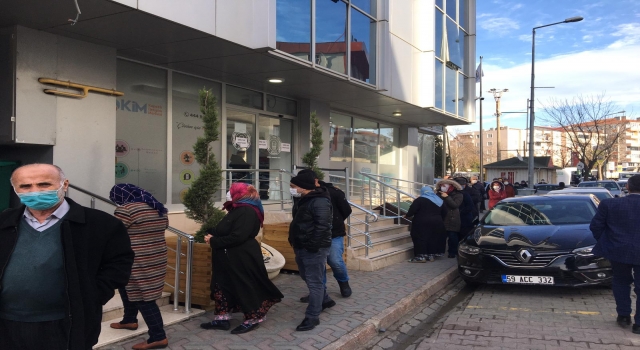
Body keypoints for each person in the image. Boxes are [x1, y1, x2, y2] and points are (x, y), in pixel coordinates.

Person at [0, 164, 134, 350]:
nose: (35, 191)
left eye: (44, 184)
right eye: (25, 186)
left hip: (67, 323)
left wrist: (93, 294)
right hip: (7, 324)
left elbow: (119, 263)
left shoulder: (100, 224)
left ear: (65, 184)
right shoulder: (4, 222)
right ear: (15, 190)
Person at [200, 183, 283, 334]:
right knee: (222, 285)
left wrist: (214, 241)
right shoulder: (238, 209)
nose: (227, 193)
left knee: (245, 285)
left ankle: (253, 318)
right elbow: (229, 229)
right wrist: (212, 232)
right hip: (228, 257)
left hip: (241, 257)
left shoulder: (246, 211)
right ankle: (222, 318)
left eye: (230, 191)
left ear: (239, 194)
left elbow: (238, 236)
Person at [109, 184, 170, 350]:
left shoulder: (126, 209)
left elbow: (114, 233)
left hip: (137, 261)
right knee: (127, 287)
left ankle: (158, 337)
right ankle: (129, 319)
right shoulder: (157, 208)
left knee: (145, 298)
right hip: (157, 258)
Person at [590, 175, 640, 333]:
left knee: (620, 282)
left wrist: (607, 242)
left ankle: (624, 315)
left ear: (627, 187)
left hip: (618, 251)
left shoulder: (610, 204)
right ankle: (638, 325)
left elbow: (595, 226)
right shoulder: (609, 204)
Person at [296, 170, 353, 299]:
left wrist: (335, 221)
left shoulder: (333, 192)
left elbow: (346, 210)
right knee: (316, 266)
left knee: (335, 261)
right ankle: (320, 294)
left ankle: (343, 282)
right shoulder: (301, 195)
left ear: (315, 180)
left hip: (333, 234)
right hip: (311, 236)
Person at [288, 171, 334, 332]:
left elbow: (322, 226)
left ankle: (312, 317)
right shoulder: (304, 199)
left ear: (303, 186)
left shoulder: (319, 201)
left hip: (314, 248)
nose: (291, 189)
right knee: (305, 275)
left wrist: (313, 245)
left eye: (293, 186)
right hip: (302, 245)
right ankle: (325, 299)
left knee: (315, 282)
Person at [405, 186, 447, 262]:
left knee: (420, 238)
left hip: (421, 222)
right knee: (433, 238)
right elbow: (445, 212)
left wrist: (407, 215)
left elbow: (412, 210)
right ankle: (431, 255)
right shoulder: (439, 200)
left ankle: (421, 256)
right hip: (437, 222)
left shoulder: (420, 200)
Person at [435, 179, 463, 258]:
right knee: (441, 237)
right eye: (441, 186)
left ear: (451, 186)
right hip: (441, 218)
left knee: (452, 236)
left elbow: (455, 205)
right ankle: (439, 252)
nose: (442, 187)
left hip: (452, 218)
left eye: (444, 186)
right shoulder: (438, 194)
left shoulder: (458, 194)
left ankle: (452, 252)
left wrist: (447, 197)